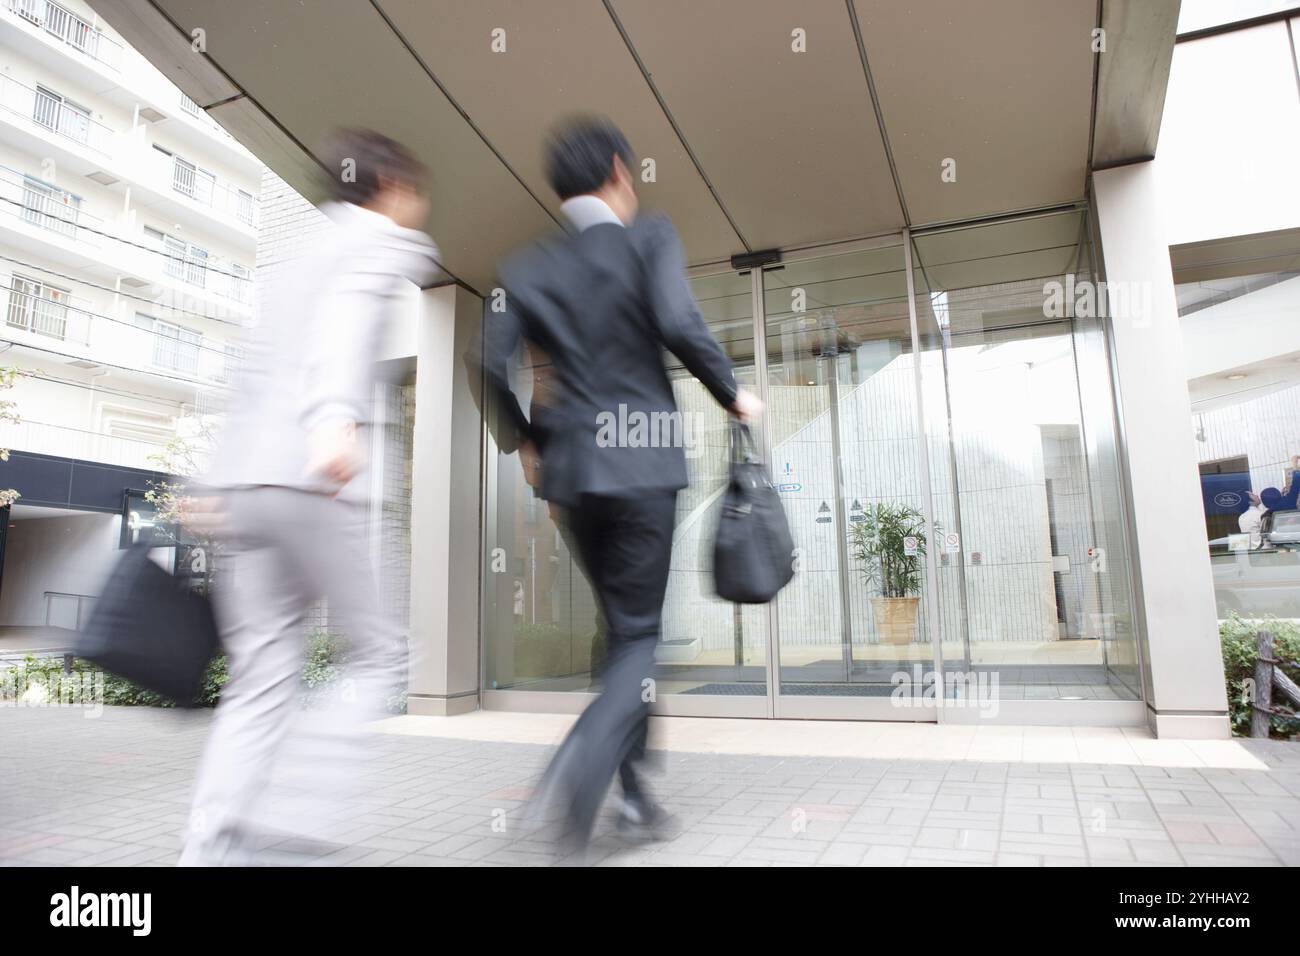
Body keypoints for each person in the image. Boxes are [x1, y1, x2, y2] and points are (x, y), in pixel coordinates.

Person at [478, 116, 761, 854]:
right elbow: (679, 320)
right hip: (640, 464)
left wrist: (527, 441)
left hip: (572, 477)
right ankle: (581, 772)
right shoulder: (648, 237)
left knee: (618, 632)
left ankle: (635, 796)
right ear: (617, 171)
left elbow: (487, 362)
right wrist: (733, 392)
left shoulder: (526, 266)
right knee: (637, 635)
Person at [179, 129, 439, 865]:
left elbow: (252, 371)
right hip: (315, 483)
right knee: (383, 656)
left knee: (261, 676)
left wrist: (211, 481)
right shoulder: (380, 244)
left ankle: (211, 845)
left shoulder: (294, 266)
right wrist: (333, 420)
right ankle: (292, 824)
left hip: (246, 491)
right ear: (387, 184)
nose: (419, 206)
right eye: (415, 190)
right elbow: (346, 322)